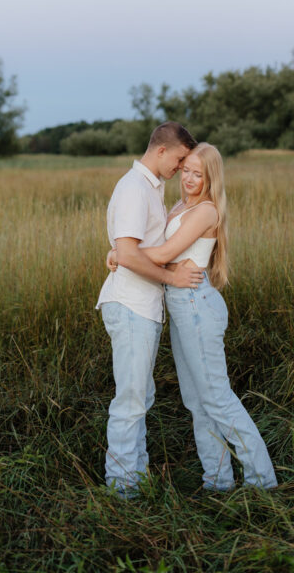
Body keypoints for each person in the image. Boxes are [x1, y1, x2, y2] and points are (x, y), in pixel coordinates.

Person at [108, 142, 277, 491]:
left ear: (210, 177)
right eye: (186, 170)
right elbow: (168, 258)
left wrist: (121, 253)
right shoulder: (181, 206)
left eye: (198, 174)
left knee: (216, 398)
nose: (189, 178)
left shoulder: (207, 211)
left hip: (198, 306)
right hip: (182, 306)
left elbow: (168, 252)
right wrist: (132, 255)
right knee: (197, 402)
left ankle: (263, 481)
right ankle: (218, 481)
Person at [96, 121, 201, 498]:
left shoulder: (148, 188)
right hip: (130, 305)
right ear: (160, 151)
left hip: (141, 306)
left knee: (140, 396)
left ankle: (134, 478)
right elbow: (127, 254)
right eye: (179, 159)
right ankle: (123, 489)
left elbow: (128, 250)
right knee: (131, 399)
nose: (180, 168)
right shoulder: (135, 189)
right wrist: (172, 279)